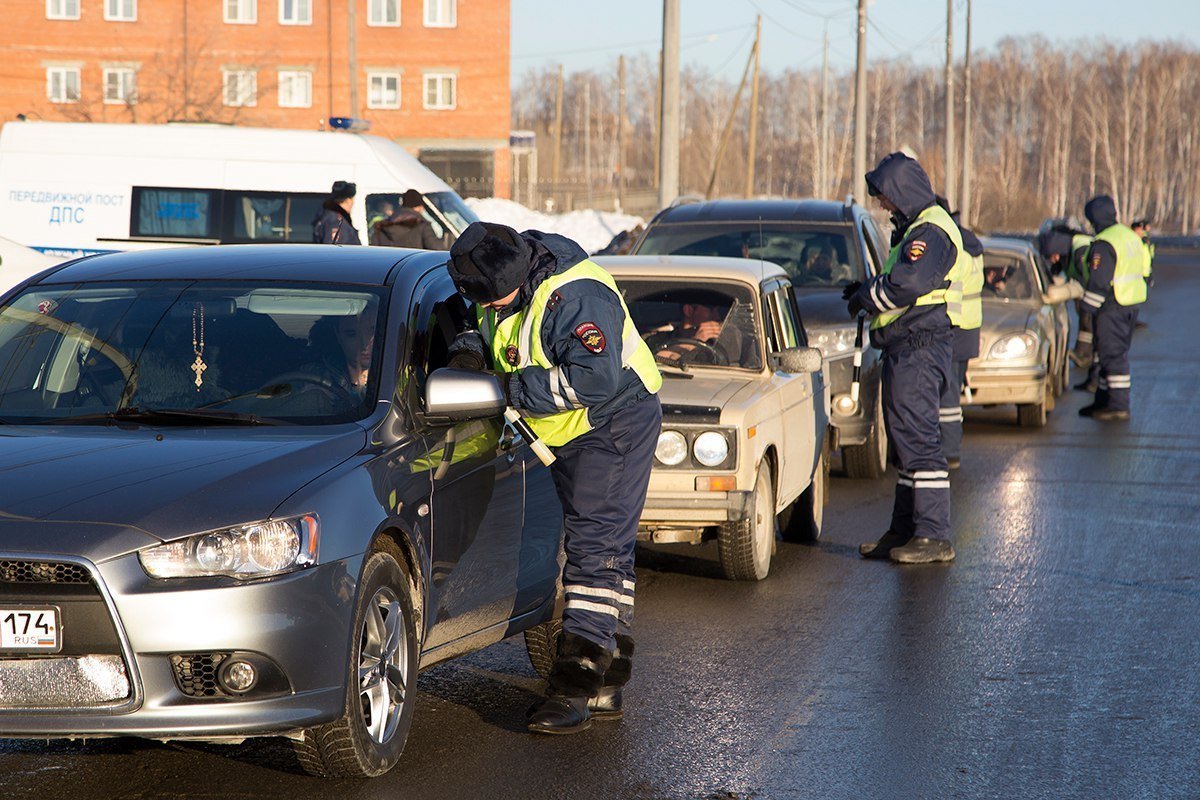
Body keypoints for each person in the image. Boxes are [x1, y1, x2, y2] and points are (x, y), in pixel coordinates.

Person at [447, 221, 663, 734]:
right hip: (566, 433)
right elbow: (478, 322)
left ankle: (575, 685)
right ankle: (609, 673)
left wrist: (509, 388)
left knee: (594, 551)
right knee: (607, 548)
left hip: (612, 423)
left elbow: (595, 378)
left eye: (497, 302)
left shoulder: (573, 297)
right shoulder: (497, 270)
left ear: (517, 278)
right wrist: (468, 352)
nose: (492, 309)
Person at [844, 152, 967, 564]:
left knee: (918, 438)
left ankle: (933, 535)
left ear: (902, 191)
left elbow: (909, 282)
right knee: (905, 441)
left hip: (919, 344)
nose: (882, 205)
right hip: (907, 343)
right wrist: (869, 288)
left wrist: (868, 296)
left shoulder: (929, 230)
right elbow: (900, 280)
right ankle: (905, 529)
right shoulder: (917, 227)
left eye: (885, 196)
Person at [1079, 195, 1146, 421]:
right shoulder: (1129, 236)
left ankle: (1117, 404)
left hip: (1112, 304)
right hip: (1129, 302)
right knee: (1108, 353)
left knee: (1112, 354)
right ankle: (1104, 400)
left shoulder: (1105, 242)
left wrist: (1087, 307)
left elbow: (1099, 279)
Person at [938, 200, 984, 471]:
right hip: (970, 323)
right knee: (952, 387)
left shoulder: (951, 243)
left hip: (953, 325)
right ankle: (949, 447)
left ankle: (949, 451)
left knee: (948, 393)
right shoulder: (971, 242)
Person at [1037, 224, 1095, 373]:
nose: (1053, 259)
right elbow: (1055, 273)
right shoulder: (1065, 251)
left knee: (1089, 320)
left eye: (1053, 255)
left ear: (1058, 249)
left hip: (1095, 291)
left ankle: (1089, 357)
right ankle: (1083, 354)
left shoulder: (1080, 250)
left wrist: (1070, 290)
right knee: (1085, 319)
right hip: (1086, 290)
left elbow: (1087, 278)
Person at [641, 290, 746, 366]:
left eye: (719, 311)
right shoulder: (654, 340)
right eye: (711, 309)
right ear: (689, 310)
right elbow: (647, 365)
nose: (717, 316)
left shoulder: (725, 342)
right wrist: (693, 342)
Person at [370, 189, 447, 250]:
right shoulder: (422, 225)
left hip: (388, 268)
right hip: (415, 268)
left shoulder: (382, 227)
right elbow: (437, 249)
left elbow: (374, 252)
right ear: (419, 207)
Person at [312, 180, 361, 245]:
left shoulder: (329, 216)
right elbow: (334, 251)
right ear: (348, 200)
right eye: (352, 199)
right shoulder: (336, 221)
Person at [1131, 218, 1154, 330]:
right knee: (1132, 297)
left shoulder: (1145, 239)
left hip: (1144, 271)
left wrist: (1149, 272)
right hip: (1136, 272)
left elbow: (1149, 255)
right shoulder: (1133, 240)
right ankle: (1130, 320)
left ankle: (1133, 319)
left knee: (1139, 297)